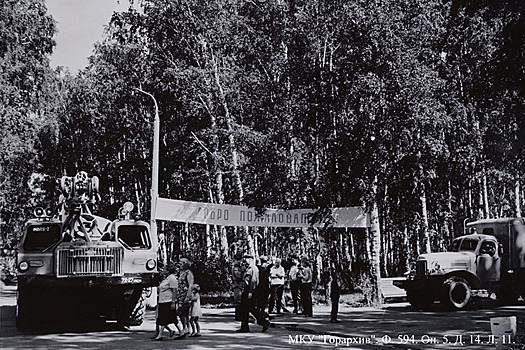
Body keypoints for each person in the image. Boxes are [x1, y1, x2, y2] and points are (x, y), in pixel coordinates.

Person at [237, 253, 269, 333]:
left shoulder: (253, 269)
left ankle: (263, 322)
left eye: (247, 258)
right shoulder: (248, 268)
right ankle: (244, 327)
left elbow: (254, 281)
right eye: (245, 258)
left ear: (251, 259)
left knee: (251, 309)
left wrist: (251, 292)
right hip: (246, 290)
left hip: (251, 291)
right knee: (245, 309)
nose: (245, 260)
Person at [152, 265, 179, 341]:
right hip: (162, 301)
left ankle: (160, 335)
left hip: (168, 301)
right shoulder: (166, 279)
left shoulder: (172, 279)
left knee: (164, 319)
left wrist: (173, 302)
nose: (164, 272)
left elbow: (174, 291)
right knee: (166, 319)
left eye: (165, 270)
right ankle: (179, 331)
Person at [175, 257, 194, 339]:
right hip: (180, 295)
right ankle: (186, 328)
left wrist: (188, 296)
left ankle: (185, 328)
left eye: (181, 263)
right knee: (184, 313)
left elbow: (190, 286)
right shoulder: (181, 273)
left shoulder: (188, 273)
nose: (180, 264)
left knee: (182, 312)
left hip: (185, 295)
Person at [231, 253, 246, 321]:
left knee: (240, 301)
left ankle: (240, 315)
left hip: (240, 285)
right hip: (237, 285)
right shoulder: (236, 268)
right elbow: (238, 276)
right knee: (238, 301)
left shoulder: (239, 267)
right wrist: (243, 272)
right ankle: (238, 316)